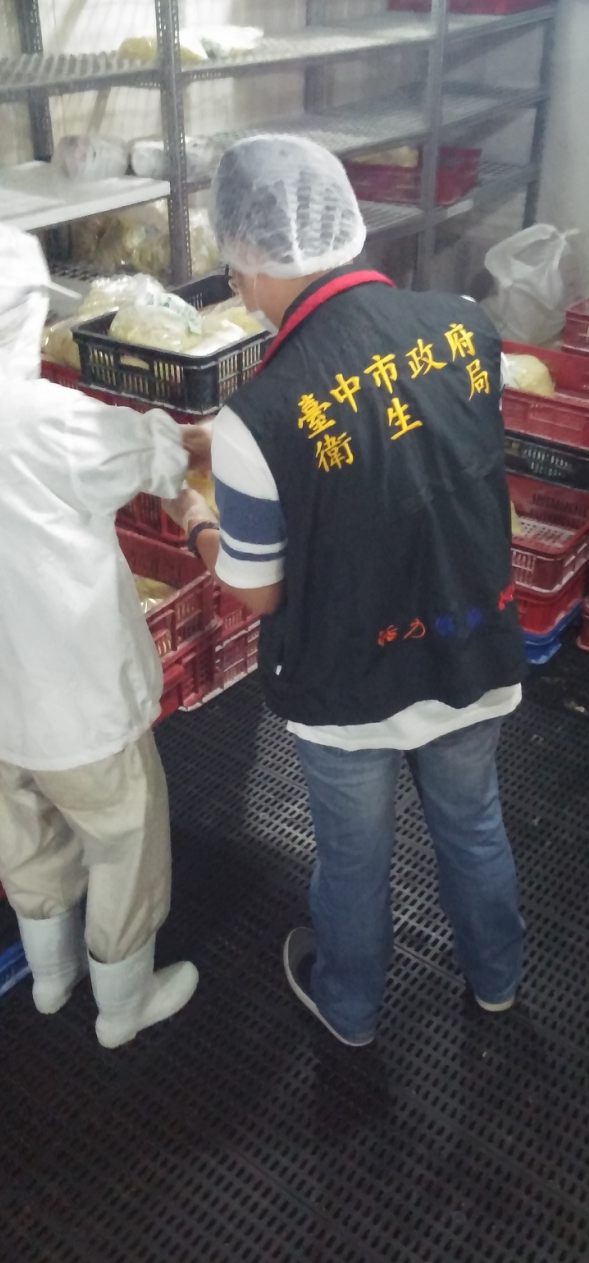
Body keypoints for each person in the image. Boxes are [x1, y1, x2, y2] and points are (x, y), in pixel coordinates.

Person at [165, 135, 526, 1048]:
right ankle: (497, 981)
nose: (239, 288)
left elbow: (258, 595)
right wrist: (233, 454)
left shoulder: (258, 414)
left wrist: (195, 516)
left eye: (236, 270)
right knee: (473, 824)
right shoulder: (465, 326)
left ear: (252, 259)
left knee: (355, 860)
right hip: (469, 639)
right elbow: (420, 454)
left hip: (350, 680)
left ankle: (353, 1007)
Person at [0, 220, 200, 1049]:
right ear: (9, 314)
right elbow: (150, 457)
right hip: (79, 696)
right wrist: (176, 445)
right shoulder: (38, 416)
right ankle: (124, 1004)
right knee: (123, 840)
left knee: (28, 832)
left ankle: (52, 977)